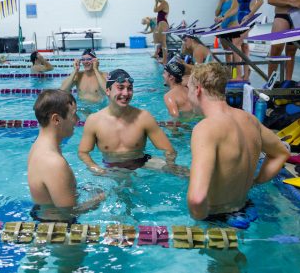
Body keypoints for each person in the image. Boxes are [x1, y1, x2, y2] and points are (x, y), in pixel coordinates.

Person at [186, 63, 290, 225]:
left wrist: (200, 223)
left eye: (188, 89)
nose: (188, 96)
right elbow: (281, 153)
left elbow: (197, 198)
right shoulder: (249, 119)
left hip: (218, 218)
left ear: (197, 89)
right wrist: (257, 182)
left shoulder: (206, 128)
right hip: (245, 207)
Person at [78, 69, 187, 176]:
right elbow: (83, 152)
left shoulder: (144, 117)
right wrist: (96, 169)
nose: (126, 93)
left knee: (185, 172)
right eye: (120, 88)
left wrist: (170, 164)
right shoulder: (94, 121)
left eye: (129, 88)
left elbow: (169, 150)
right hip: (112, 168)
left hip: (142, 161)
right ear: (108, 91)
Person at [28, 89, 105, 223]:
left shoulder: (38, 147)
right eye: (73, 115)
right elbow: (68, 212)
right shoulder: (54, 163)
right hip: (61, 232)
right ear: (56, 119)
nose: (77, 120)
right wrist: (99, 199)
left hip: (45, 219)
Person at [233, 0, 264, 80]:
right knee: (244, 47)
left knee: (235, 44)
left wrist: (250, 15)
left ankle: (238, 76)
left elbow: (260, 1)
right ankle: (245, 75)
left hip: (248, 20)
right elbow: (239, 7)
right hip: (241, 20)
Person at [215, 0, 239, 67]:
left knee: (235, 52)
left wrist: (223, 16)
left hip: (232, 25)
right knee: (227, 53)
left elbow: (232, 9)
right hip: (222, 26)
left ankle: (235, 74)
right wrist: (221, 2)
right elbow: (216, 13)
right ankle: (229, 74)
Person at [153, 0, 170, 64]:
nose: (157, 0)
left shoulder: (164, 3)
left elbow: (155, 10)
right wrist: (156, 3)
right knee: (161, 42)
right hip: (161, 23)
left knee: (163, 42)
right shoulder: (162, 3)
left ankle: (165, 60)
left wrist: (156, 2)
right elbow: (155, 10)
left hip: (163, 23)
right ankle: (161, 57)